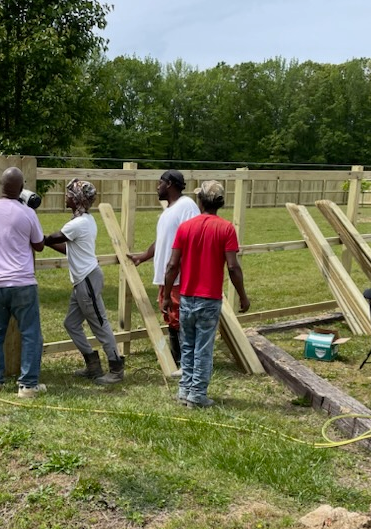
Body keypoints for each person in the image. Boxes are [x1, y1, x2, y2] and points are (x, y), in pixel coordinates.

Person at [163, 180, 250, 408]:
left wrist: (166, 296)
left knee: (187, 345)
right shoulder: (226, 228)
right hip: (209, 299)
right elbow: (233, 267)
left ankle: (184, 391)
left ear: (200, 200)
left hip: (186, 297)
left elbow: (172, 265)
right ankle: (197, 395)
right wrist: (242, 295)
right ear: (220, 203)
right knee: (203, 348)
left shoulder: (186, 228)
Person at [0, 166, 47, 399]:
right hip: (23, 283)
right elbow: (39, 245)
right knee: (30, 333)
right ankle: (27, 386)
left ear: (1, 186)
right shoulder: (27, 214)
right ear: (22, 188)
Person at [44, 179, 125, 385]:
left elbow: (55, 237)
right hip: (83, 280)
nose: (66, 197)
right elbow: (67, 249)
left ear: (78, 199)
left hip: (87, 280)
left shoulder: (77, 224)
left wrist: (39, 238)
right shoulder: (86, 220)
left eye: (69, 194)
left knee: (100, 323)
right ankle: (93, 365)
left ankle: (116, 368)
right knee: (70, 324)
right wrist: (44, 242)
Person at [127, 169, 200, 369]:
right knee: (171, 318)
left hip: (179, 276)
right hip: (167, 276)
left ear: (169, 184)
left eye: (159, 183)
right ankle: (179, 362)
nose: (157, 187)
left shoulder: (187, 206)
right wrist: (143, 257)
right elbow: (162, 241)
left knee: (180, 319)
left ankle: (186, 365)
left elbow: (193, 240)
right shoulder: (169, 210)